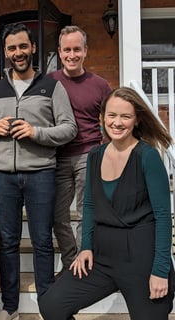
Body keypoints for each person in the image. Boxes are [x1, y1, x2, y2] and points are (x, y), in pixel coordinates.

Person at [39, 87, 175, 320]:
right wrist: (86, 247)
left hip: (141, 259)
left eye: (125, 116)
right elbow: (90, 205)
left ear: (136, 120)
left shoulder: (148, 156)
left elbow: (163, 217)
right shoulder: (95, 155)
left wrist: (160, 270)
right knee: (52, 305)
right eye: (112, 115)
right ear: (102, 118)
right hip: (102, 257)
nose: (117, 122)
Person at [0, 23, 77, 320]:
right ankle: (10, 308)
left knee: (42, 241)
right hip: (3, 177)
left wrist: (36, 132)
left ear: (33, 48)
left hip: (41, 174)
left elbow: (69, 128)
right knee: (7, 242)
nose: (17, 53)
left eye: (23, 46)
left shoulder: (51, 86)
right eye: (11, 48)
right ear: (5, 52)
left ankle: (48, 306)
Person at [49, 25, 112, 269]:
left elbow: (111, 120)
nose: (72, 55)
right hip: (57, 157)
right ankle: (70, 262)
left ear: (85, 51)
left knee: (86, 213)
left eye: (77, 49)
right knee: (59, 216)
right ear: (59, 52)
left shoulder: (99, 85)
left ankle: (84, 262)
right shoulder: (50, 82)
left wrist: (107, 151)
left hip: (89, 153)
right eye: (67, 50)